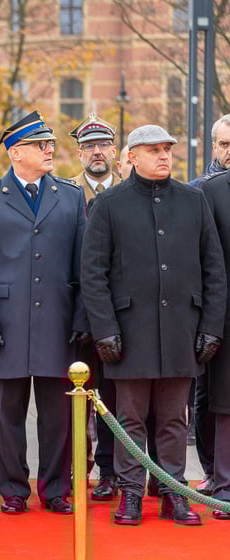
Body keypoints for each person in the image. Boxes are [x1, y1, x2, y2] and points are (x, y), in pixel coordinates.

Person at [81, 124, 226, 526]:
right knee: (128, 419)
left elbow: (214, 270)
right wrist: (105, 329)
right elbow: (93, 273)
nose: (164, 155)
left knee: (174, 419)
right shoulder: (108, 204)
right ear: (131, 156)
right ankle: (130, 495)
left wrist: (211, 327)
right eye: (153, 149)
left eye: (167, 149)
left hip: (182, 329)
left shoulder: (193, 201)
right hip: (128, 334)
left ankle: (173, 494)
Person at [0, 110, 89, 516]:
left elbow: (82, 265)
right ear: (16, 152)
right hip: (4, 322)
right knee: (5, 414)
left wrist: (81, 319)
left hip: (57, 320)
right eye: (41, 144)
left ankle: (55, 488)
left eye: (50, 143)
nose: (50, 149)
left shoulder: (69, 196)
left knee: (58, 414)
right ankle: (13, 489)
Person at [67, 113, 122, 501]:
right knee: (77, 400)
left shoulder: (129, 189)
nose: (96, 152)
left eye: (102, 145)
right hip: (77, 317)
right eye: (89, 147)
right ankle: (76, 467)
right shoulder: (67, 193)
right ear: (80, 153)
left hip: (122, 315)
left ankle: (111, 471)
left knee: (115, 400)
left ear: (115, 150)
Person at [188, 113, 230, 497]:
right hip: (215, 317)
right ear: (213, 147)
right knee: (209, 400)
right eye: (224, 145)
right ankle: (215, 474)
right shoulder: (202, 190)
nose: (229, 153)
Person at [200, 165, 230, 520]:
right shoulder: (214, 191)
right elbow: (207, 260)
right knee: (225, 408)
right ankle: (224, 487)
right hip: (225, 316)